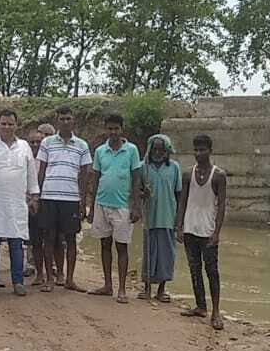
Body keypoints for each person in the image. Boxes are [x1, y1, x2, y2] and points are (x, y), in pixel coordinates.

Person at [0, 110, 38, 296]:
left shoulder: (24, 146)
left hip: (16, 204)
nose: (7, 127)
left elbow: (31, 173)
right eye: (3, 123)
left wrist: (34, 195)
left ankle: (18, 282)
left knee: (16, 242)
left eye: (10, 123)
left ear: (16, 125)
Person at [36, 106, 92, 292]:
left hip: (71, 198)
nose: (66, 122)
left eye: (69, 118)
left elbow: (84, 176)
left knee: (70, 239)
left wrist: (83, 202)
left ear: (73, 120)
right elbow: (41, 170)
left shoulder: (82, 145)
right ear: (57, 120)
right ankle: (50, 279)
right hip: (49, 196)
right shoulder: (47, 143)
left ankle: (69, 279)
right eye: (62, 119)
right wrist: (37, 195)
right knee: (49, 238)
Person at [175, 133, 227, 331]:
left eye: (202, 149)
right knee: (194, 269)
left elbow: (221, 205)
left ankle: (216, 311)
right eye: (196, 150)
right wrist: (179, 226)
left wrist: (217, 232)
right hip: (190, 228)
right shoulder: (188, 174)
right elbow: (183, 202)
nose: (199, 153)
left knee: (212, 271)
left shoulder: (219, 175)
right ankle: (200, 306)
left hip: (208, 230)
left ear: (210, 151)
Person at [87, 114, 141, 303]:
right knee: (104, 244)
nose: (113, 132)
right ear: (106, 130)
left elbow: (136, 179)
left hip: (123, 206)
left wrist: (136, 206)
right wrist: (92, 208)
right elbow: (96, 178)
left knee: (122, 246)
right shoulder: (100, 151)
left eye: (116, 129)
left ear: (122, 129)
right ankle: (107, 285)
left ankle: (122, 289)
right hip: (102, 203)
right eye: (110, 129)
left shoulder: (131, 150)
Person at [138, 134, 181, 302]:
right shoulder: (143, 168)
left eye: (161, 149)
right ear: (150, 149)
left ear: (167, 150)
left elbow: (179, 194)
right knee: (149, 253)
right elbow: (136, 193)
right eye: (154, 149)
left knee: (166, 255)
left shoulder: (174, 168)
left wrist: (179, 220)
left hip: (168, 218)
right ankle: (147, 288)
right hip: (149, 218)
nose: (157, 152)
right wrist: (144, 194)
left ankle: (162, 290)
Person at [26, 123, 56, 286]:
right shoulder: (24, 159)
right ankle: (39, 274)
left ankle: (54, 273)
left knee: (52, 240)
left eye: (39, 141)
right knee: (35, 241)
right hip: (31, 204)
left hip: (49, 202)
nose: (36, 145)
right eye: (33, 142)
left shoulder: (50, 159)